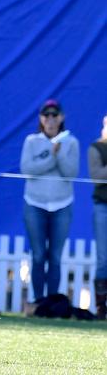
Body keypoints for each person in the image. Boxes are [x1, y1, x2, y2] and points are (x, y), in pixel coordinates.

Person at [20, 99, 79, 304]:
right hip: (35, 204)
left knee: (55, 257)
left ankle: (52, 302)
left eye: (55, 115)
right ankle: (38, 301)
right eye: (47, 115)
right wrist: (51, 157)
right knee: (38, 255)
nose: (51, 119)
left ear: (61, 118)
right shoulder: (31, 141)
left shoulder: (71, 142)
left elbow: (70, 173)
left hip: (62, 205)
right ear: (41, 119)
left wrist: (58, 153)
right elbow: (28, 170)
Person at [88, 113, 107, 320]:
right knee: (103, 259)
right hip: (103, 206)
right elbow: (97, 176)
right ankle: (102, 309)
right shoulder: (96, 148)